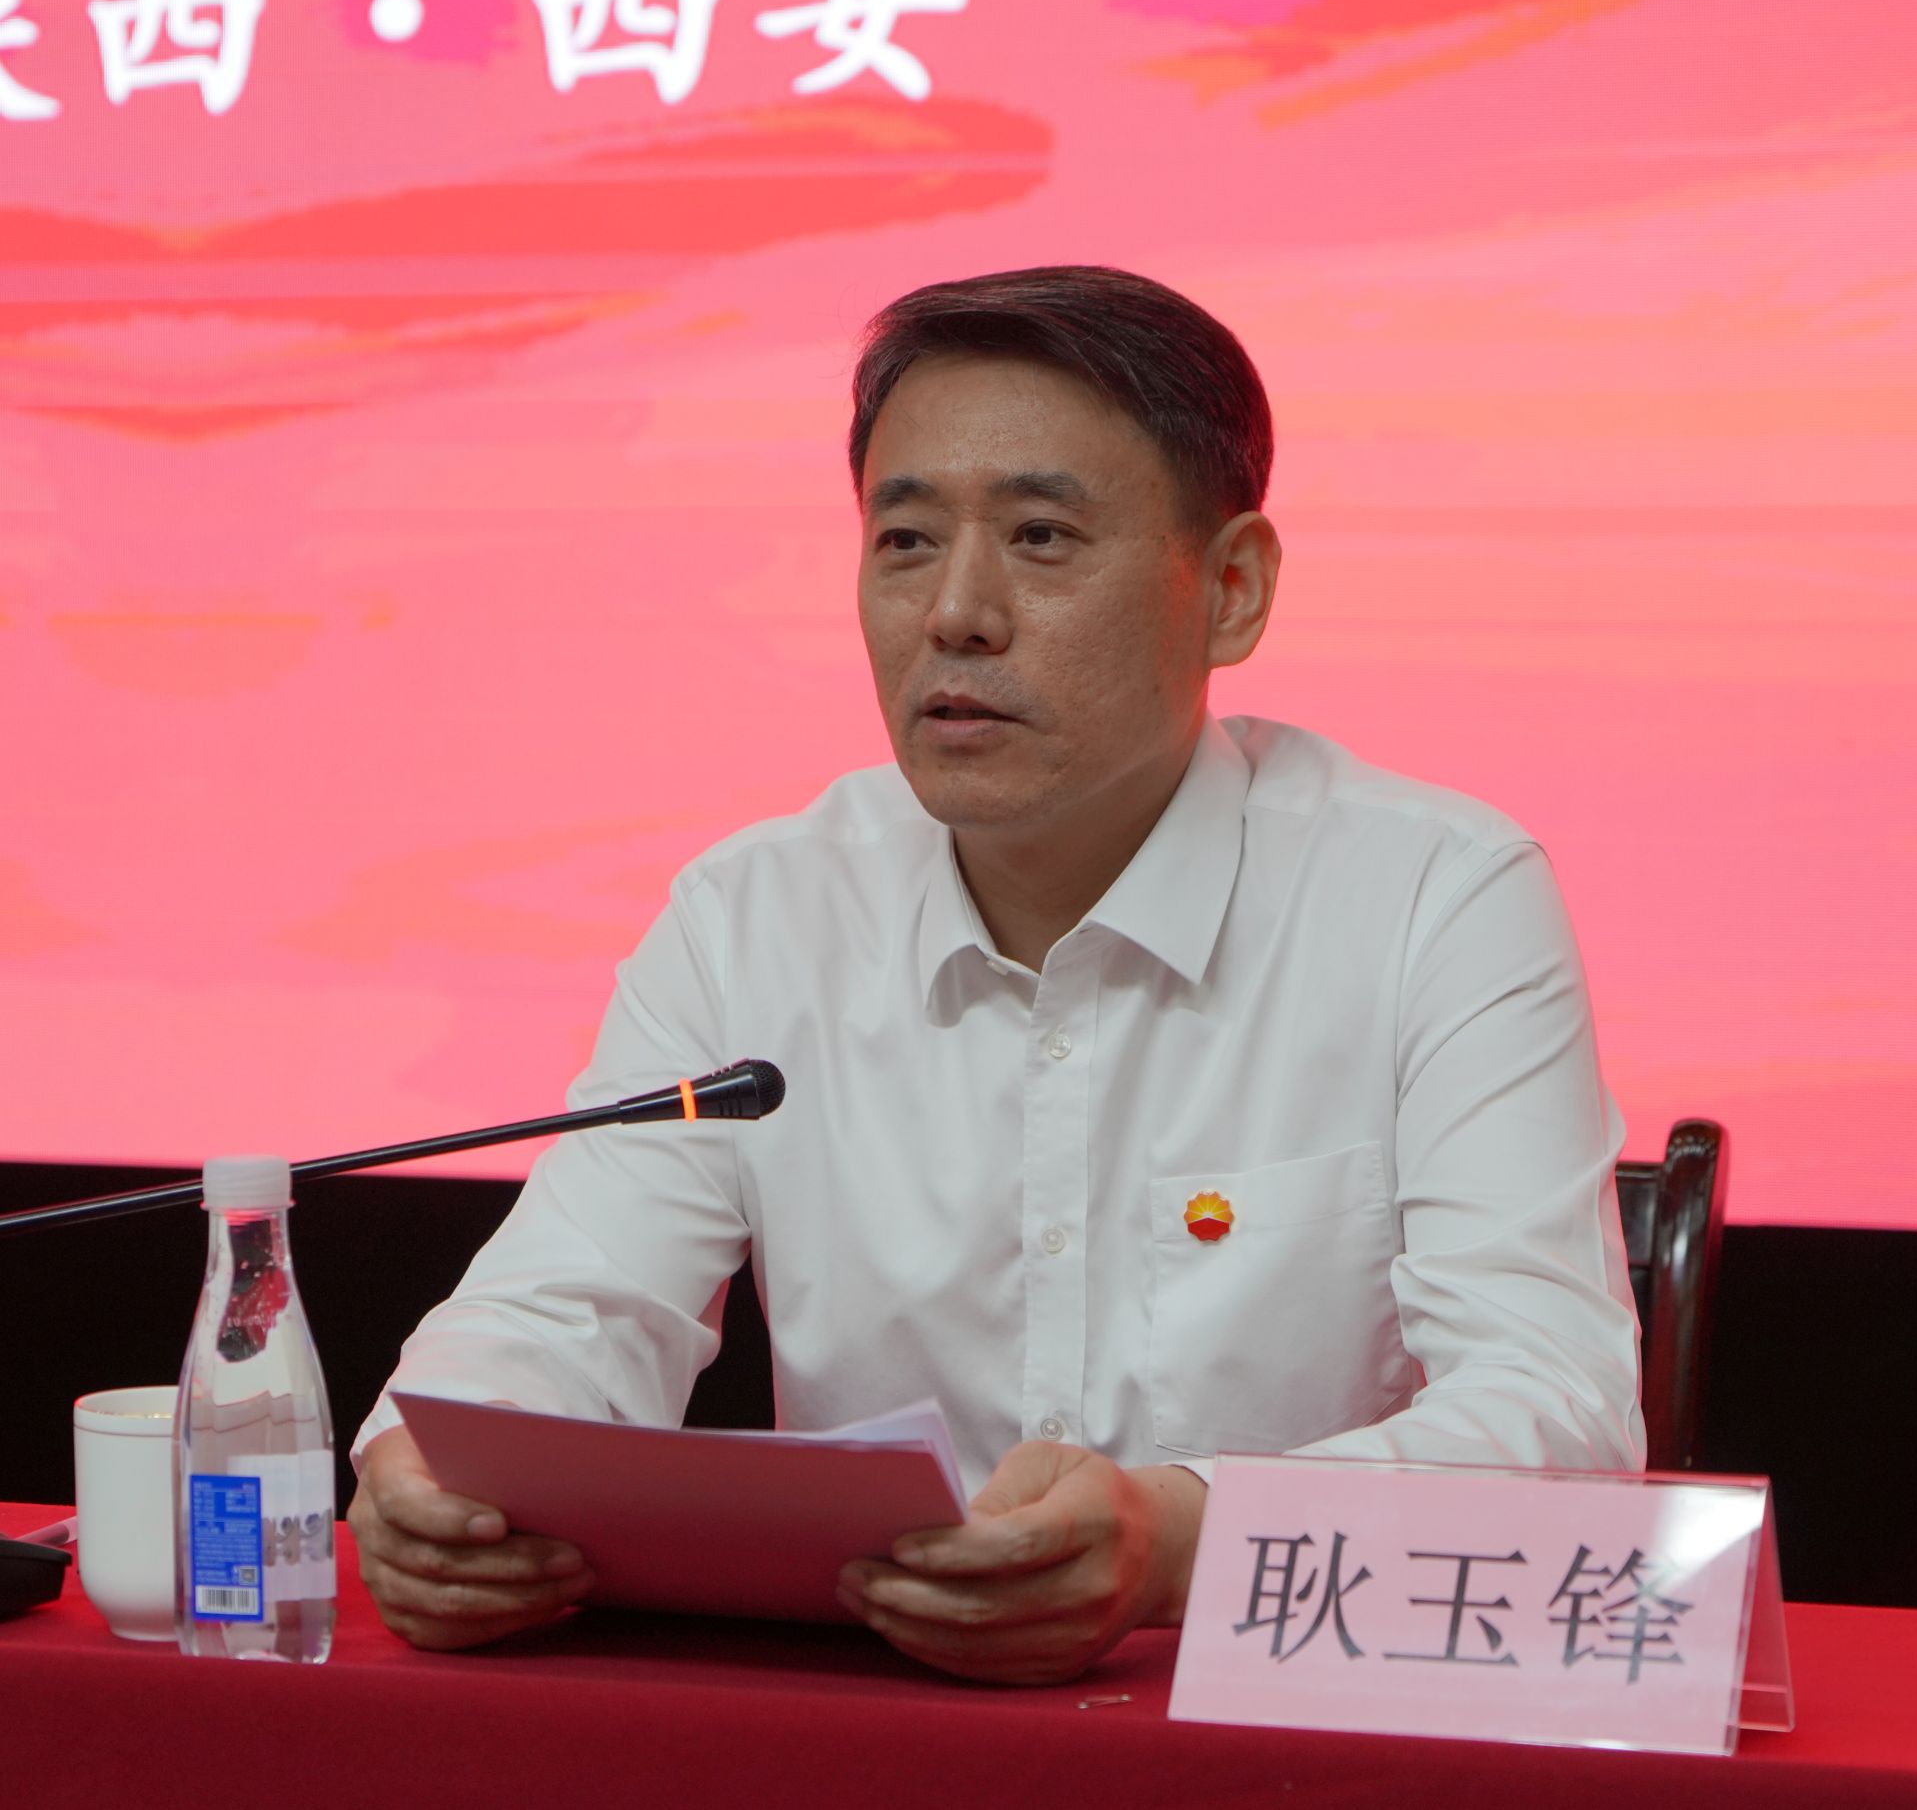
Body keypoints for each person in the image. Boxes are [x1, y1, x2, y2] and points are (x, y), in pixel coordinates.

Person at [346, 266, 1643, 1683]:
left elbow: (1561, 1412)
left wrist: (1182, 1542)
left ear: (1231, 589)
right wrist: (430, 1471)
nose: (957, 613)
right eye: (906, 540)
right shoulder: (755, 915)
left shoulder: (1433, 897)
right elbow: (568, 1309)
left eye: (1040, 537)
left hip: (1279, 1727)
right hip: (871, 1727)